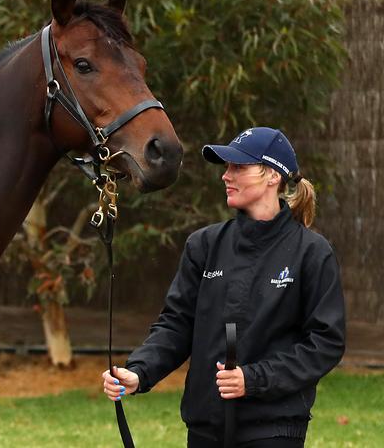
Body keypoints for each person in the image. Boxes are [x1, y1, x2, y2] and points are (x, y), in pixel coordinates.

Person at [102, 127, 345, 447]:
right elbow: (177, 324)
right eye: (226, 167)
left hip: (272, 429)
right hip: (205, 428)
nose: (225, 176)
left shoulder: (312, 253)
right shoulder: (204, 245)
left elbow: (325, 343)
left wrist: (254, 379)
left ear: (272, 176)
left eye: (238, 167)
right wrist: (139, 372)